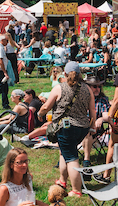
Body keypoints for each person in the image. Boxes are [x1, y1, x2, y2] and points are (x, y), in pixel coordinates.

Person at [38, 61, 95, 197]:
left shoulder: (60, 88)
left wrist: (40, 114)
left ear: (64, 73)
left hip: (66, 128)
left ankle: (76, 190)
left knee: (72, 158)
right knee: (65, 153)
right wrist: (92, 126)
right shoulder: (87, 89)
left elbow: (46, 107)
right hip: (82, 128)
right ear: (80, 74)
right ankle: (62, 181)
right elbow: (92, 109)